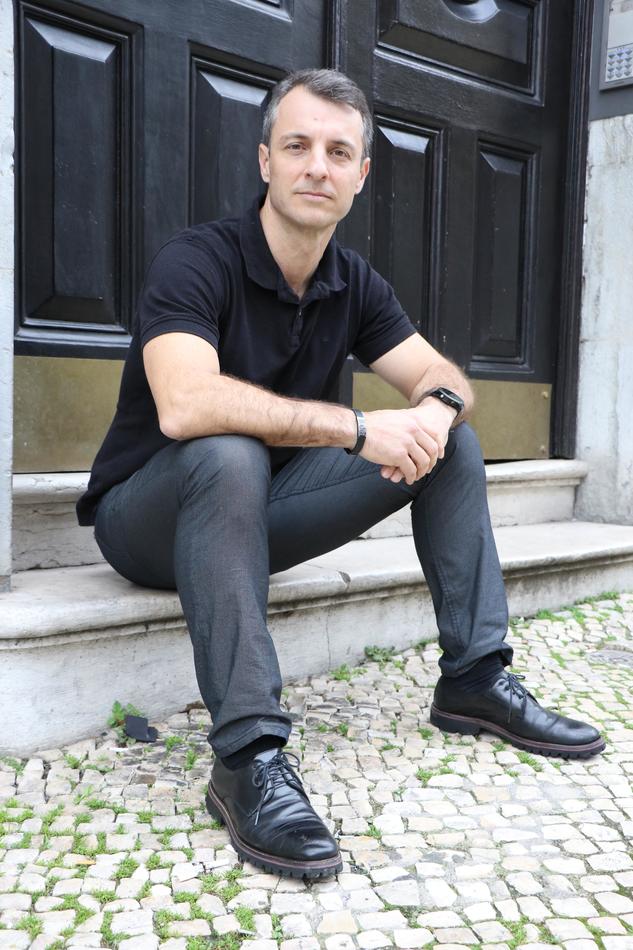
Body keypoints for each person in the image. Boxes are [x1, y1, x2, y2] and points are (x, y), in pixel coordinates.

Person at [77, 69, 605, 880]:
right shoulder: (198, 260)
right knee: (225, 450)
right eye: (297, 146)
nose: (316, 166)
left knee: (451, 443)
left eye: (336, 152)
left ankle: (473, 678)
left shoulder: (352, 282)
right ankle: (248, 757)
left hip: (258, 515)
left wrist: (432, 415)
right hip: (148, 519)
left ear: (361, 175)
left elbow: (442, 378)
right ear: (265, 161)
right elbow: (184, 405)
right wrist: (357, 428)